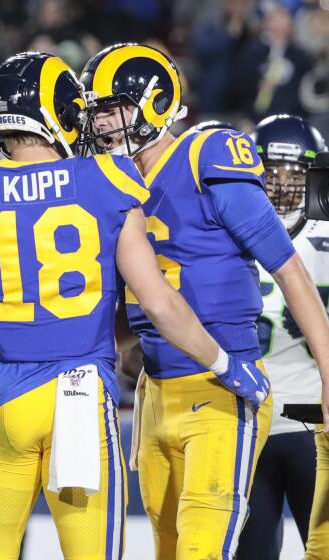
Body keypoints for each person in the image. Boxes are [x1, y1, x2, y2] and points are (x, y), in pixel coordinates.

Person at [0, 51, 269, 560]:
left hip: (1, 400)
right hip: (79, 399)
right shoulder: (105, 180)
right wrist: (224, 363)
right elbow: (158, 300)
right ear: (57, 110)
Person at [81, 43, 329, 559]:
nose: (102, 124)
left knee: (204, 549)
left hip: (222, 382)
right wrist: (126, 345)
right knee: (168, 549)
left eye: (111, 109)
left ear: (152, 102)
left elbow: (290, 270)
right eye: (97, 112)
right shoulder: (112, 181)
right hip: (154, 392)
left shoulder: (205, 153)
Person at [236, 114, 326, 558]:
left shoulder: (231, 232)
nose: (282, 184)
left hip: (314, 420)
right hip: (247, 421)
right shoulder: (228, 231)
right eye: (271, 172)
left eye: (294, 173)